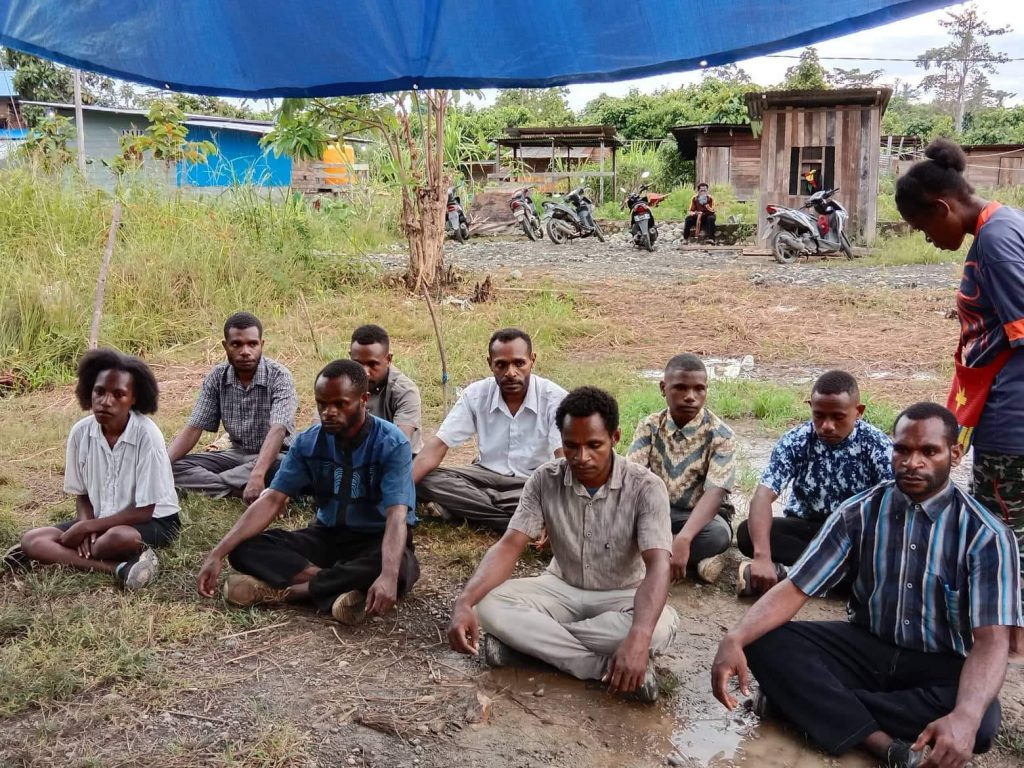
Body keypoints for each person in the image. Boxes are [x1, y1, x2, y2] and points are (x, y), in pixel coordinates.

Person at [711, 403, 1022, 768]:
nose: (912, 463)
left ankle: (800, 704)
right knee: (763, 640)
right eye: (902, 450)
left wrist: (965, 717)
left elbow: (992, 642)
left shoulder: (987, 535)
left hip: (938, 661)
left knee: (980, 722)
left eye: (929, 452)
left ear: (954, 454)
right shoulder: (859, 511)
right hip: (865, 647)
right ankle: (880, 742)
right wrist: (734, 638)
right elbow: (796, 588)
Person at [447, 387, 677, 702]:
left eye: (594, 445)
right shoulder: (545, 479)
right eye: (571, 446)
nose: (582, 457)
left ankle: (529, 648)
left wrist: (638, 635)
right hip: (560, 587)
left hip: (624, 595)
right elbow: (509, 545)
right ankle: (601, 667)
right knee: (488, 604)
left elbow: (659, 566)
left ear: (615, 437)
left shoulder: (646, 487)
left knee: (658, 628)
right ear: (561, 441)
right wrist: (464, 601)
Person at [896, 137, 1024, 654]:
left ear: (942, 207)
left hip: (1012, 417)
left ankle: (1005, 641)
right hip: (1000, 408)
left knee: (1004, 530)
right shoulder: (1001, 226)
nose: (928, 240)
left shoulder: (996, 239)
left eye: (923, 228)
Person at [196, 360, 419, 624]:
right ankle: (335, 586)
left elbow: (396, 515)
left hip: (376, 539)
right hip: (326, 536)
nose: (329, 412)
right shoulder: (308, 442)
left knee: (398, 567)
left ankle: (291, 592)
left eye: (340, 404)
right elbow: (272, 499)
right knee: (244, 548)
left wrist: (388, 576)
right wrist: (217, 553)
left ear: (363, 400)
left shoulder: (392, 443)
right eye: (322, 404)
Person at [14, 349, 179, 589]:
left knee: (116, 538)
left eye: (118, 394)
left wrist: (86, 528)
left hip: (154, 521)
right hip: (100, 519)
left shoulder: (147, 435)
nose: (106, 401)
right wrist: (86, 525)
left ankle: (59, 554)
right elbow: (82, 494)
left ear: (134, 398)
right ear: (89, 391)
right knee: (32, 540)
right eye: (99, 392)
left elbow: (145, 511)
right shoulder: (80, 433)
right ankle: (120, 568)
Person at [735, 370, 892, 597]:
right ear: (810, 406)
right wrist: (762, 557)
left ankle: (791, 577)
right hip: (807, 531)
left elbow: (894, 507)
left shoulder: (878, 446)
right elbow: (762, 496)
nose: (827, 426)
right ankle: (832, 581)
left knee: (884, 558)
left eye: (838, 417)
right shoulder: (796, 440)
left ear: (858, 412)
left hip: (854, 537)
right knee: (747, 534)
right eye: (819, 416)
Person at [414, 328, 567, 531]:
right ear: (490, 363)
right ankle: (521, 520)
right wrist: (397, 492)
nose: (510, 372)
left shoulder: (555, 399)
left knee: (545, 497)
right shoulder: (476, 395)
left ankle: (471, 510)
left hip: (532, 482)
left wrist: (558, 505)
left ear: (532, 360)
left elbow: (563, 461)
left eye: (519, 363)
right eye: (501, 365)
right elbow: (438, 445)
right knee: (425, 478)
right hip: (484, 475)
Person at [627, 354, 735, 584]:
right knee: (616, 519)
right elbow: (632, 477)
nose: (690, 397)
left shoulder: (721, 435)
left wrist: (685, 538)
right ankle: (686, 560)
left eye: (699, 389)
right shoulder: (650, 426)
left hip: (696, 517)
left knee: (718, 534)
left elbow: (715, 493)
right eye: (680, 388)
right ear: (663, 388)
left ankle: (649, 558)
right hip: (656, 510)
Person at [168, 312, 298, 503]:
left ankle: (218, 484)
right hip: (237, 455)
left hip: (275, 456)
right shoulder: (217, 377)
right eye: (236, 344)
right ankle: (237, 489)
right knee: (172, 468)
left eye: (252, 344)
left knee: (286, 465)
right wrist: (160, 467)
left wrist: (258, 474)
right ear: (225, 346)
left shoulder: (280, 376)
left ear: (261, 345)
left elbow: (278, 429)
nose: (245, 351)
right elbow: (194, 427)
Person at [348, 323, 422, 454]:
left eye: (372, 364)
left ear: (388, 359)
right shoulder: (340, 385)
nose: (365, 372)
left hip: (396, 459)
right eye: (357, 364)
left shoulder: (405, 391)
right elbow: (318, 430)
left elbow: (399, 443)